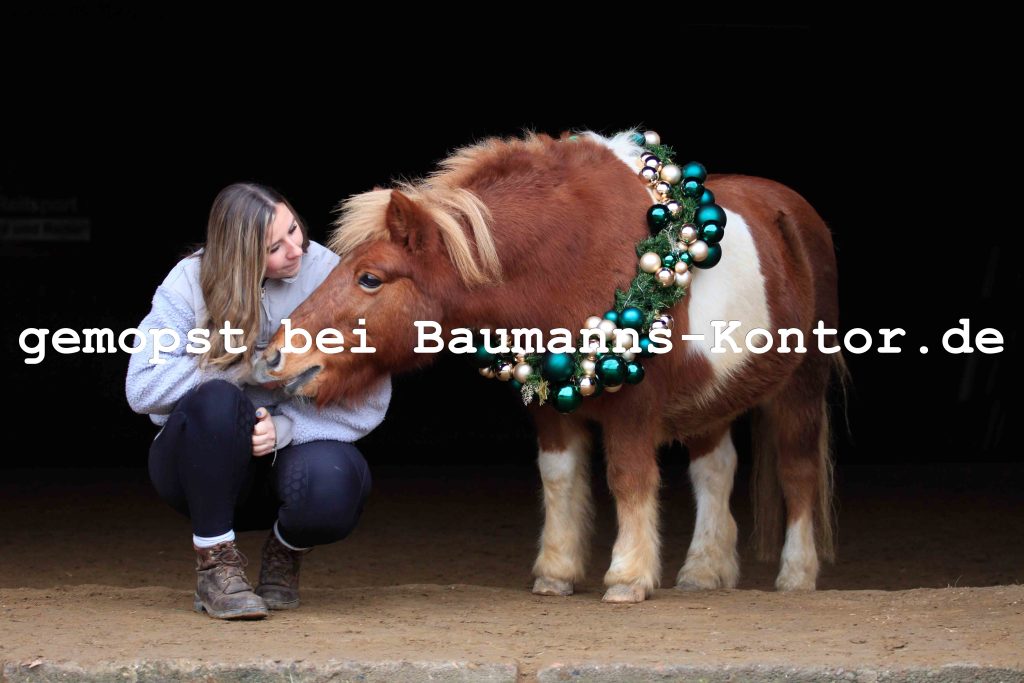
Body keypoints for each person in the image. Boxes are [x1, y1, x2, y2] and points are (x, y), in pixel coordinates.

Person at [125, 182, 391, 620]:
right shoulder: (189, 280)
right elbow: (142, 387)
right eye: (274, 247)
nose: (296, 250)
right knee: (215, 400)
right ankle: (216, 566)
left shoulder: (331, 274)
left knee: (336, 482)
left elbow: (370, 403)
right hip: (200, 470)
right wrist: (240, 368)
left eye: (294, 229)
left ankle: (285, 551)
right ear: (240, 256)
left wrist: (284, 429)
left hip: (289, 465)